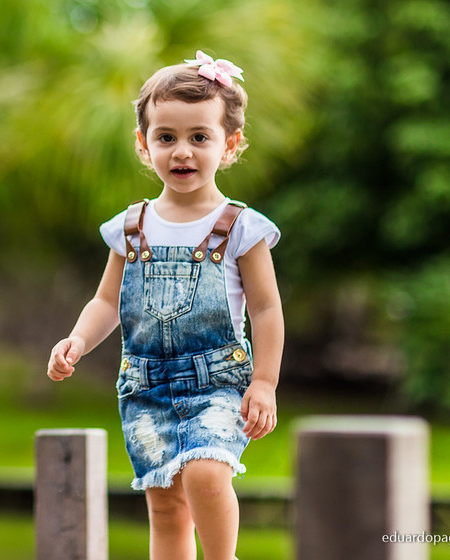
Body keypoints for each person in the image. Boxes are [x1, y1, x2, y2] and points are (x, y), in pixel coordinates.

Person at [47, 51, 284, 560]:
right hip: (145, 384)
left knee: (205, 471)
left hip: (217, 381)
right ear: (143, 144)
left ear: (230, 145)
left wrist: (264, 381)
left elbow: (265, 310)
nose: (182, 151)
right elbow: (107, 301)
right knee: (165, 505)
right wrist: (78, 340)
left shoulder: (241, 227)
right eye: (166, 137)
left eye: (200, 137)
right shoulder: (131, 228)